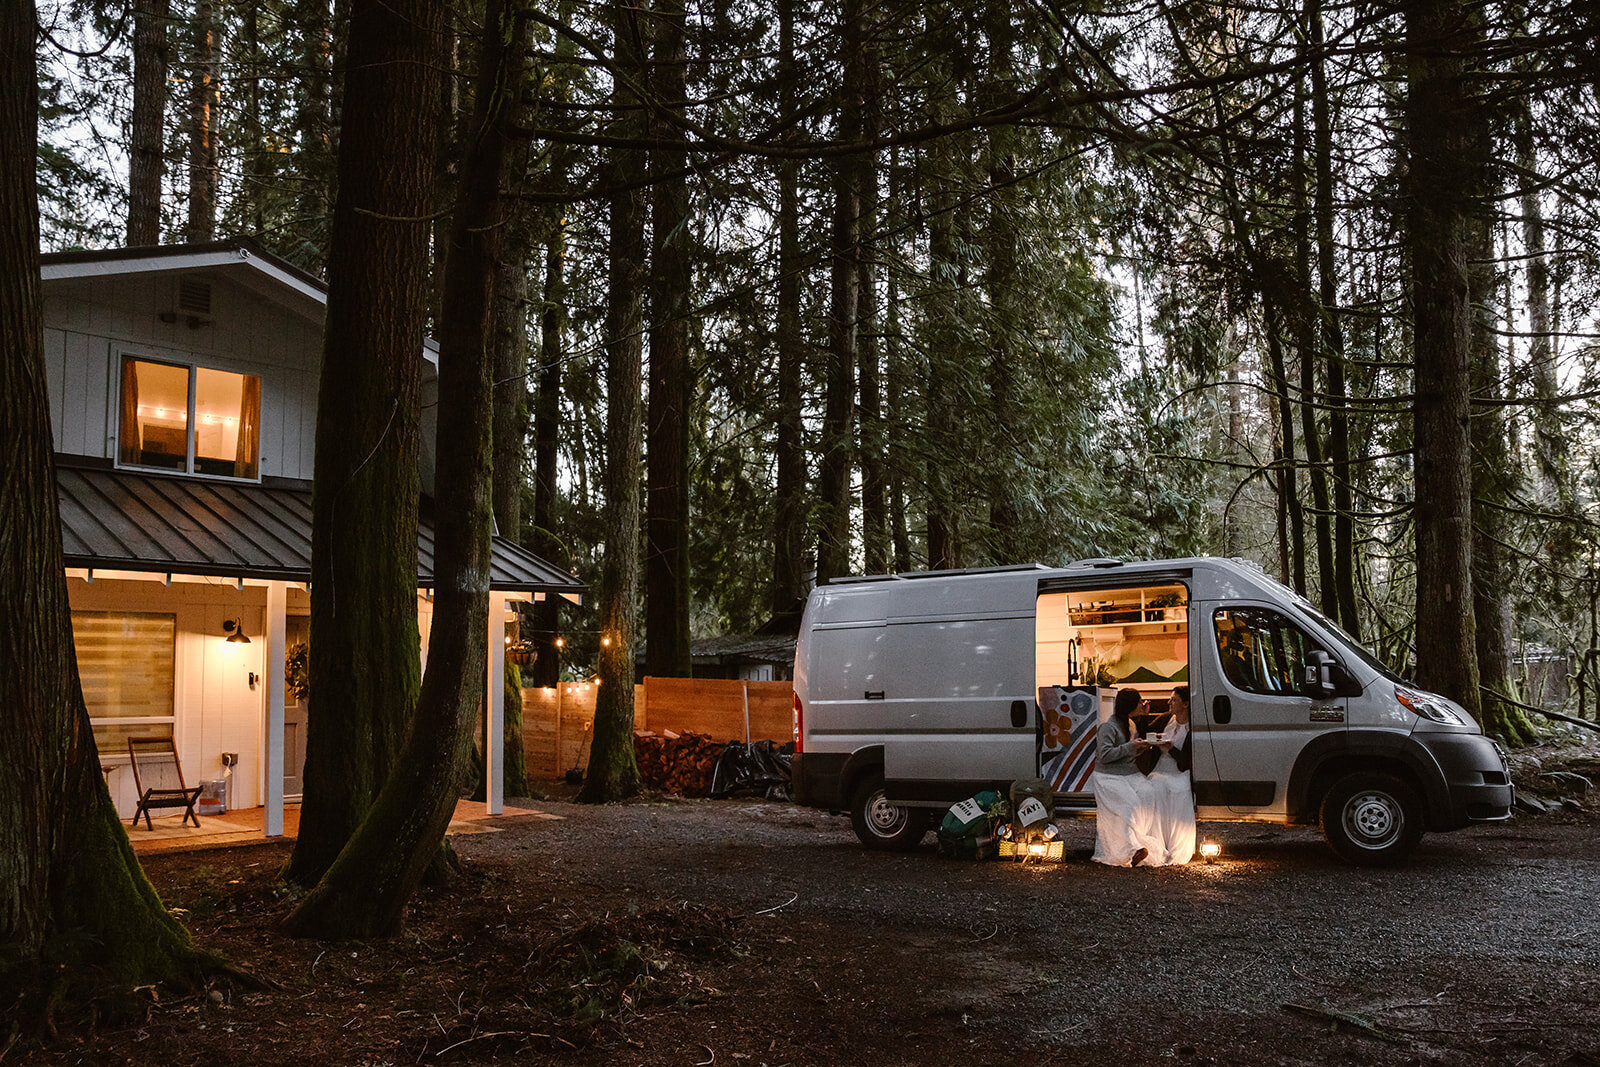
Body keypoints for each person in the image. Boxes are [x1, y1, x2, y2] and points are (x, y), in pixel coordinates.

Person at [1091, 688, 1160, 867]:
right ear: (1130, 704)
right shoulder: (1108, 727)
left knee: (1148, 793)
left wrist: (1140, 748)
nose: (1142, 704)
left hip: (1128, 773)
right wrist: (1130, 747)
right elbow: (1104, 755)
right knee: (1128, 804)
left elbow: (1128, 752)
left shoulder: (1131, 725)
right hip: (1108, 775)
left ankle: (1143, 839)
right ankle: (1131, 849)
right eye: (1140, 702)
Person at [1146, 685, 1196, 865]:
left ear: (1186, 704)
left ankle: (1174, 845)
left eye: (1173, 700)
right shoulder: (1166, 720)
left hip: (1179, 770)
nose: (1169, 702)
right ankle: (1156, 845)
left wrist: (1171, 749)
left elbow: (1187, 762)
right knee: (1155, 785)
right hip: (1161, 767)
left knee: (1178, 789)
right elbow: (1147, 730)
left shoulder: (1193, 728)